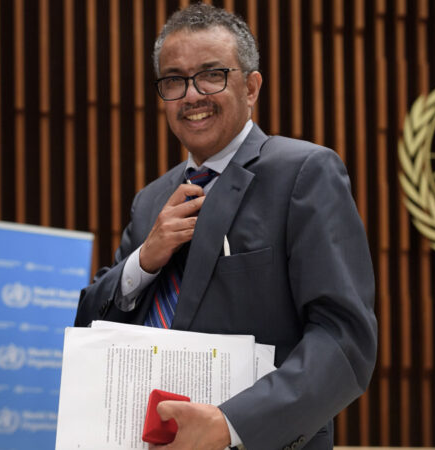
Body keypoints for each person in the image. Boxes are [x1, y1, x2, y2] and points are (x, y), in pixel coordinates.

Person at [74, 3, 377, 450]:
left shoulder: (304, 173)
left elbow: (344, 341)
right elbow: (89, 330)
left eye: (211, 75)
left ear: (251, 87)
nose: (191, 95)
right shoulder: (151, 201)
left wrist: (231, 424)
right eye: (174, 80)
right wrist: (144, 261)